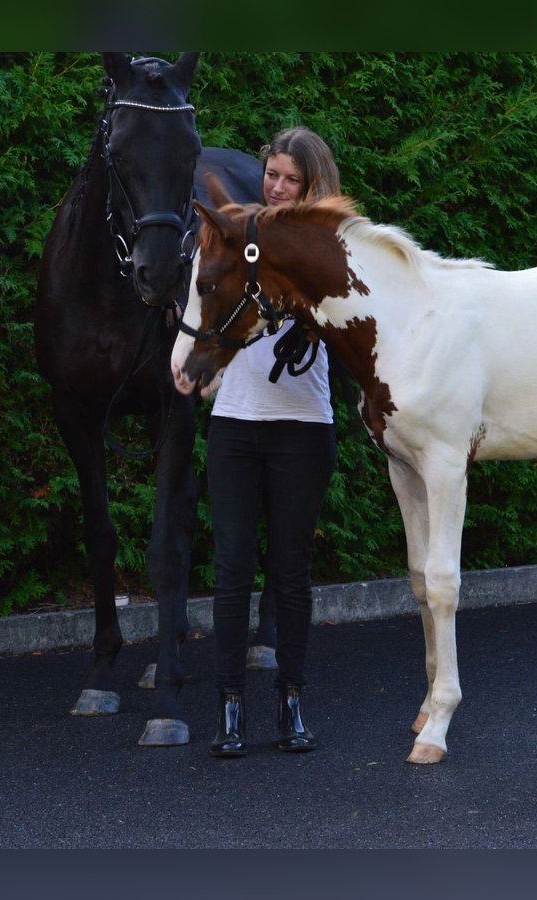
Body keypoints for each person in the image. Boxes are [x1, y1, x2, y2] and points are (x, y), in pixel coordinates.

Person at [207, 126, 340, 758]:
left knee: (291, 574)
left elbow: (359, 333)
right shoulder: (241, 233)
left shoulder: (331, 248)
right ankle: (229, 705)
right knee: (232, 572)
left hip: (302, 427)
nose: (277, 186)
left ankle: (291, 702)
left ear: (313, 184)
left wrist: (313, 325)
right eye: (271, 175)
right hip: (234, 422)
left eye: (290, 178)